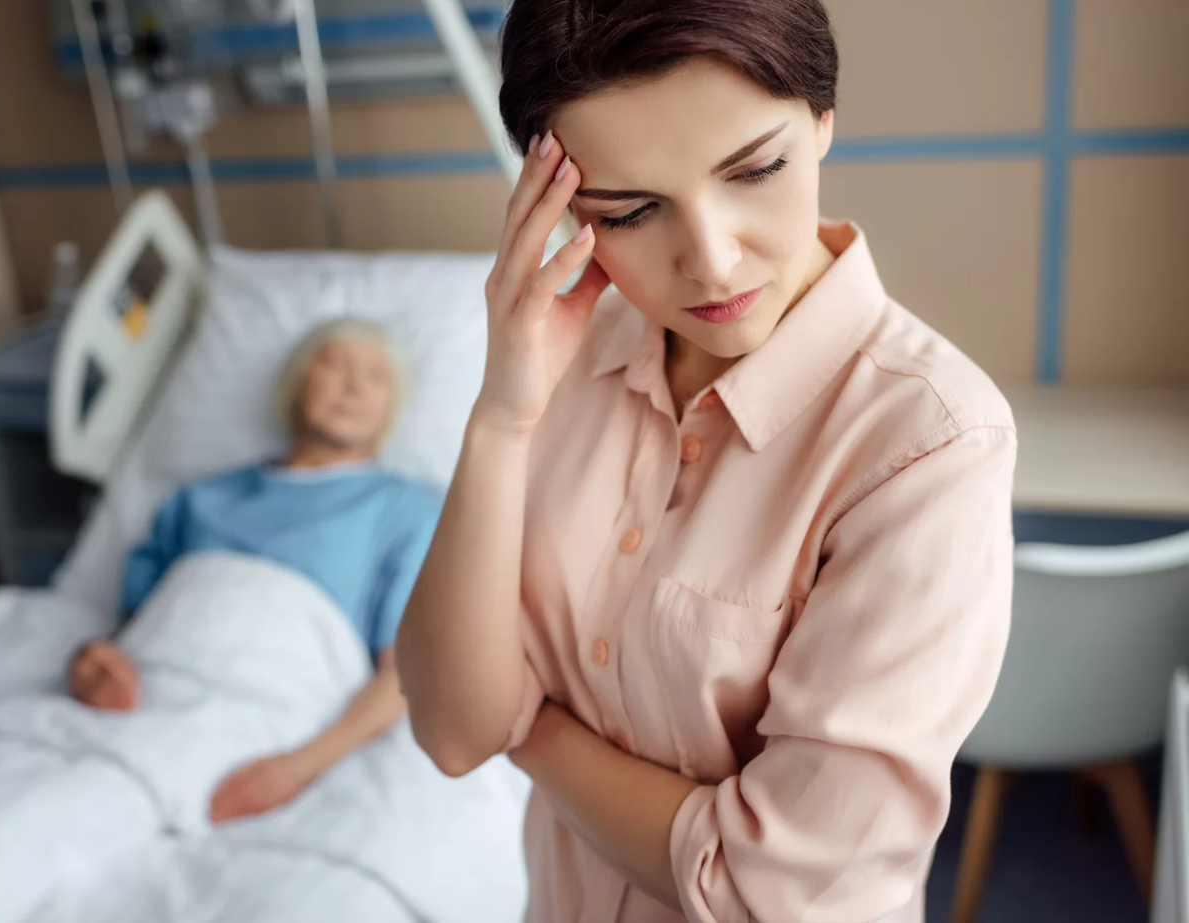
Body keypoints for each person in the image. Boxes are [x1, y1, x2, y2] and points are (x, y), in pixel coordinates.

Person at [396, 3, 1016, 922]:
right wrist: (500, 417)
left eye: (756, 170)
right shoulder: (560, 367)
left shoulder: (928, 444)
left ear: (822, 122)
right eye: (632, 210)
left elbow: (768, 892)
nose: (714, 262)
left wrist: (529, 728)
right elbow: (451, 728)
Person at [70, 318, 441, 824]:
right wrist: (93, 665)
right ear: (295, 385)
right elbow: (132, 625)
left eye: (375, 377)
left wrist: (297, 769)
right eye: (334, 364)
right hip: (137, 702)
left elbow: (405, 674)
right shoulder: (199, 499)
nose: (353, 385)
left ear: (390, 410)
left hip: (261, 718)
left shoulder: (403, 509)